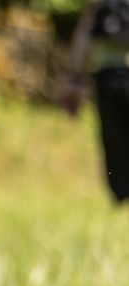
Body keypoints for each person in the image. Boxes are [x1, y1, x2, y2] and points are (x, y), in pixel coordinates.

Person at [61, 0, 129, 203]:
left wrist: (74, 79)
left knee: (115, 143)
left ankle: (123, 194)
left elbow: (83, 36)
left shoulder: (100, 5)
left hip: (106, 79)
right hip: (111, 78)